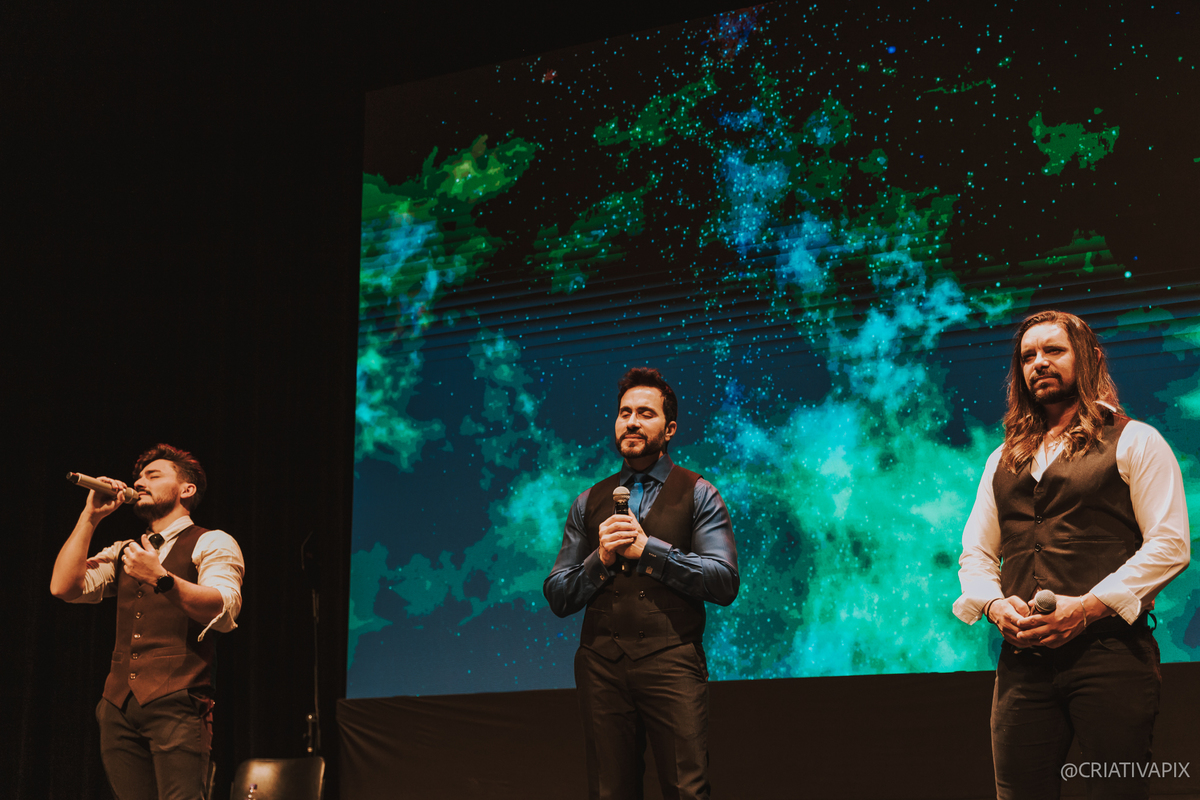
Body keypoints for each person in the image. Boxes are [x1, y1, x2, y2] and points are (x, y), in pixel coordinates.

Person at [953, 310, 1190, 800]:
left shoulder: (1136, 440)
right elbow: (976, 553)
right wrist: (994, 606)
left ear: (1090, 358)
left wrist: (1084, 609)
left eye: (1053, 350)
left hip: (1111, 657)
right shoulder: (1001, 459)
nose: (1039, 363)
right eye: (1028, 356)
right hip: (1023, 667)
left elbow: (1170, 544)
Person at [544, 367, 739, 800]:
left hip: (672, 661)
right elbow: (558, 593)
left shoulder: (699, 493)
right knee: (609, 791)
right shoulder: (588, 501)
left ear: (669, 429)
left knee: (686, 790)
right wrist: (601, 558)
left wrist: (649, 551)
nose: (632, 422)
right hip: (601, 667)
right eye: (625, 412)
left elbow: (724, 581)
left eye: (646, 413)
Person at [51, 444, 244, 800]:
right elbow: (63, 587)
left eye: (153, 475)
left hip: (179, 703)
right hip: (117, 706)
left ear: (186, 489)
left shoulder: (212, 541)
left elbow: (223, 608)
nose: (139, 482)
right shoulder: (125, 550)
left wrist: (161, 578)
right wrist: (90, 517)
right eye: (138, 477)